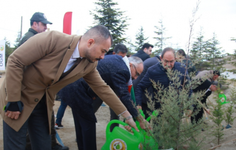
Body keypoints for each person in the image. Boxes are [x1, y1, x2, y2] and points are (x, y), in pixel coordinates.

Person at [0, 25, 138, 150]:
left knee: (43, 145)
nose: (103, 57)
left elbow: (103, 89)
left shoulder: (89, 64)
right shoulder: (53, 39)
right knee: (16, 146)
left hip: (42, 103)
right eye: (102, 51)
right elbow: (15, 60)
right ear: (90, 42)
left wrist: (127, 115)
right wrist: (13, 100)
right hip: (17, 96)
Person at [58, 54, 147, 150]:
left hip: (71, 86)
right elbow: (124, 95)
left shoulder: (117, 59)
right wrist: (137, 118)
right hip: (78, 90)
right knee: (88, 125)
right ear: (130, 65)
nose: (136, 78)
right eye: (137, 73)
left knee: (80, 124)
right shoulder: (123, 70)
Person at [16, 12, 67, 150]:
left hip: (39, 90)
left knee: (45, 120)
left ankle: (51, 145)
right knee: (31, 127)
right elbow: (19, 66)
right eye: (43, 24)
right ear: (34, 24)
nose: (46, 28)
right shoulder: (30, 39)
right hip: (30, 91)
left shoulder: (36, 38)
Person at [55, 43, 128, 129]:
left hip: (108, 89)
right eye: (120, 56)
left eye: (123, 57)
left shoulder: (119, 62)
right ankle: (78, 128)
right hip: (94, 88)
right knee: (89, 110)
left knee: (115, 112)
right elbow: (92, 79)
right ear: (114, 53)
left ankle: (113, 131)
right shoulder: (100, 59)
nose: (121, 59)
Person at [135, 47, 191, 114]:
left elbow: (188, 88)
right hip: (159, 110)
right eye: (166, 61)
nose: (168, 65)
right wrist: (138, 104)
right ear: (161, 58)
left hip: (177, 109)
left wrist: (189, 107)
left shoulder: (182, 69)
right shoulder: (153, 71)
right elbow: (140, 87)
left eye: (171, 61)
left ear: (175, 59)